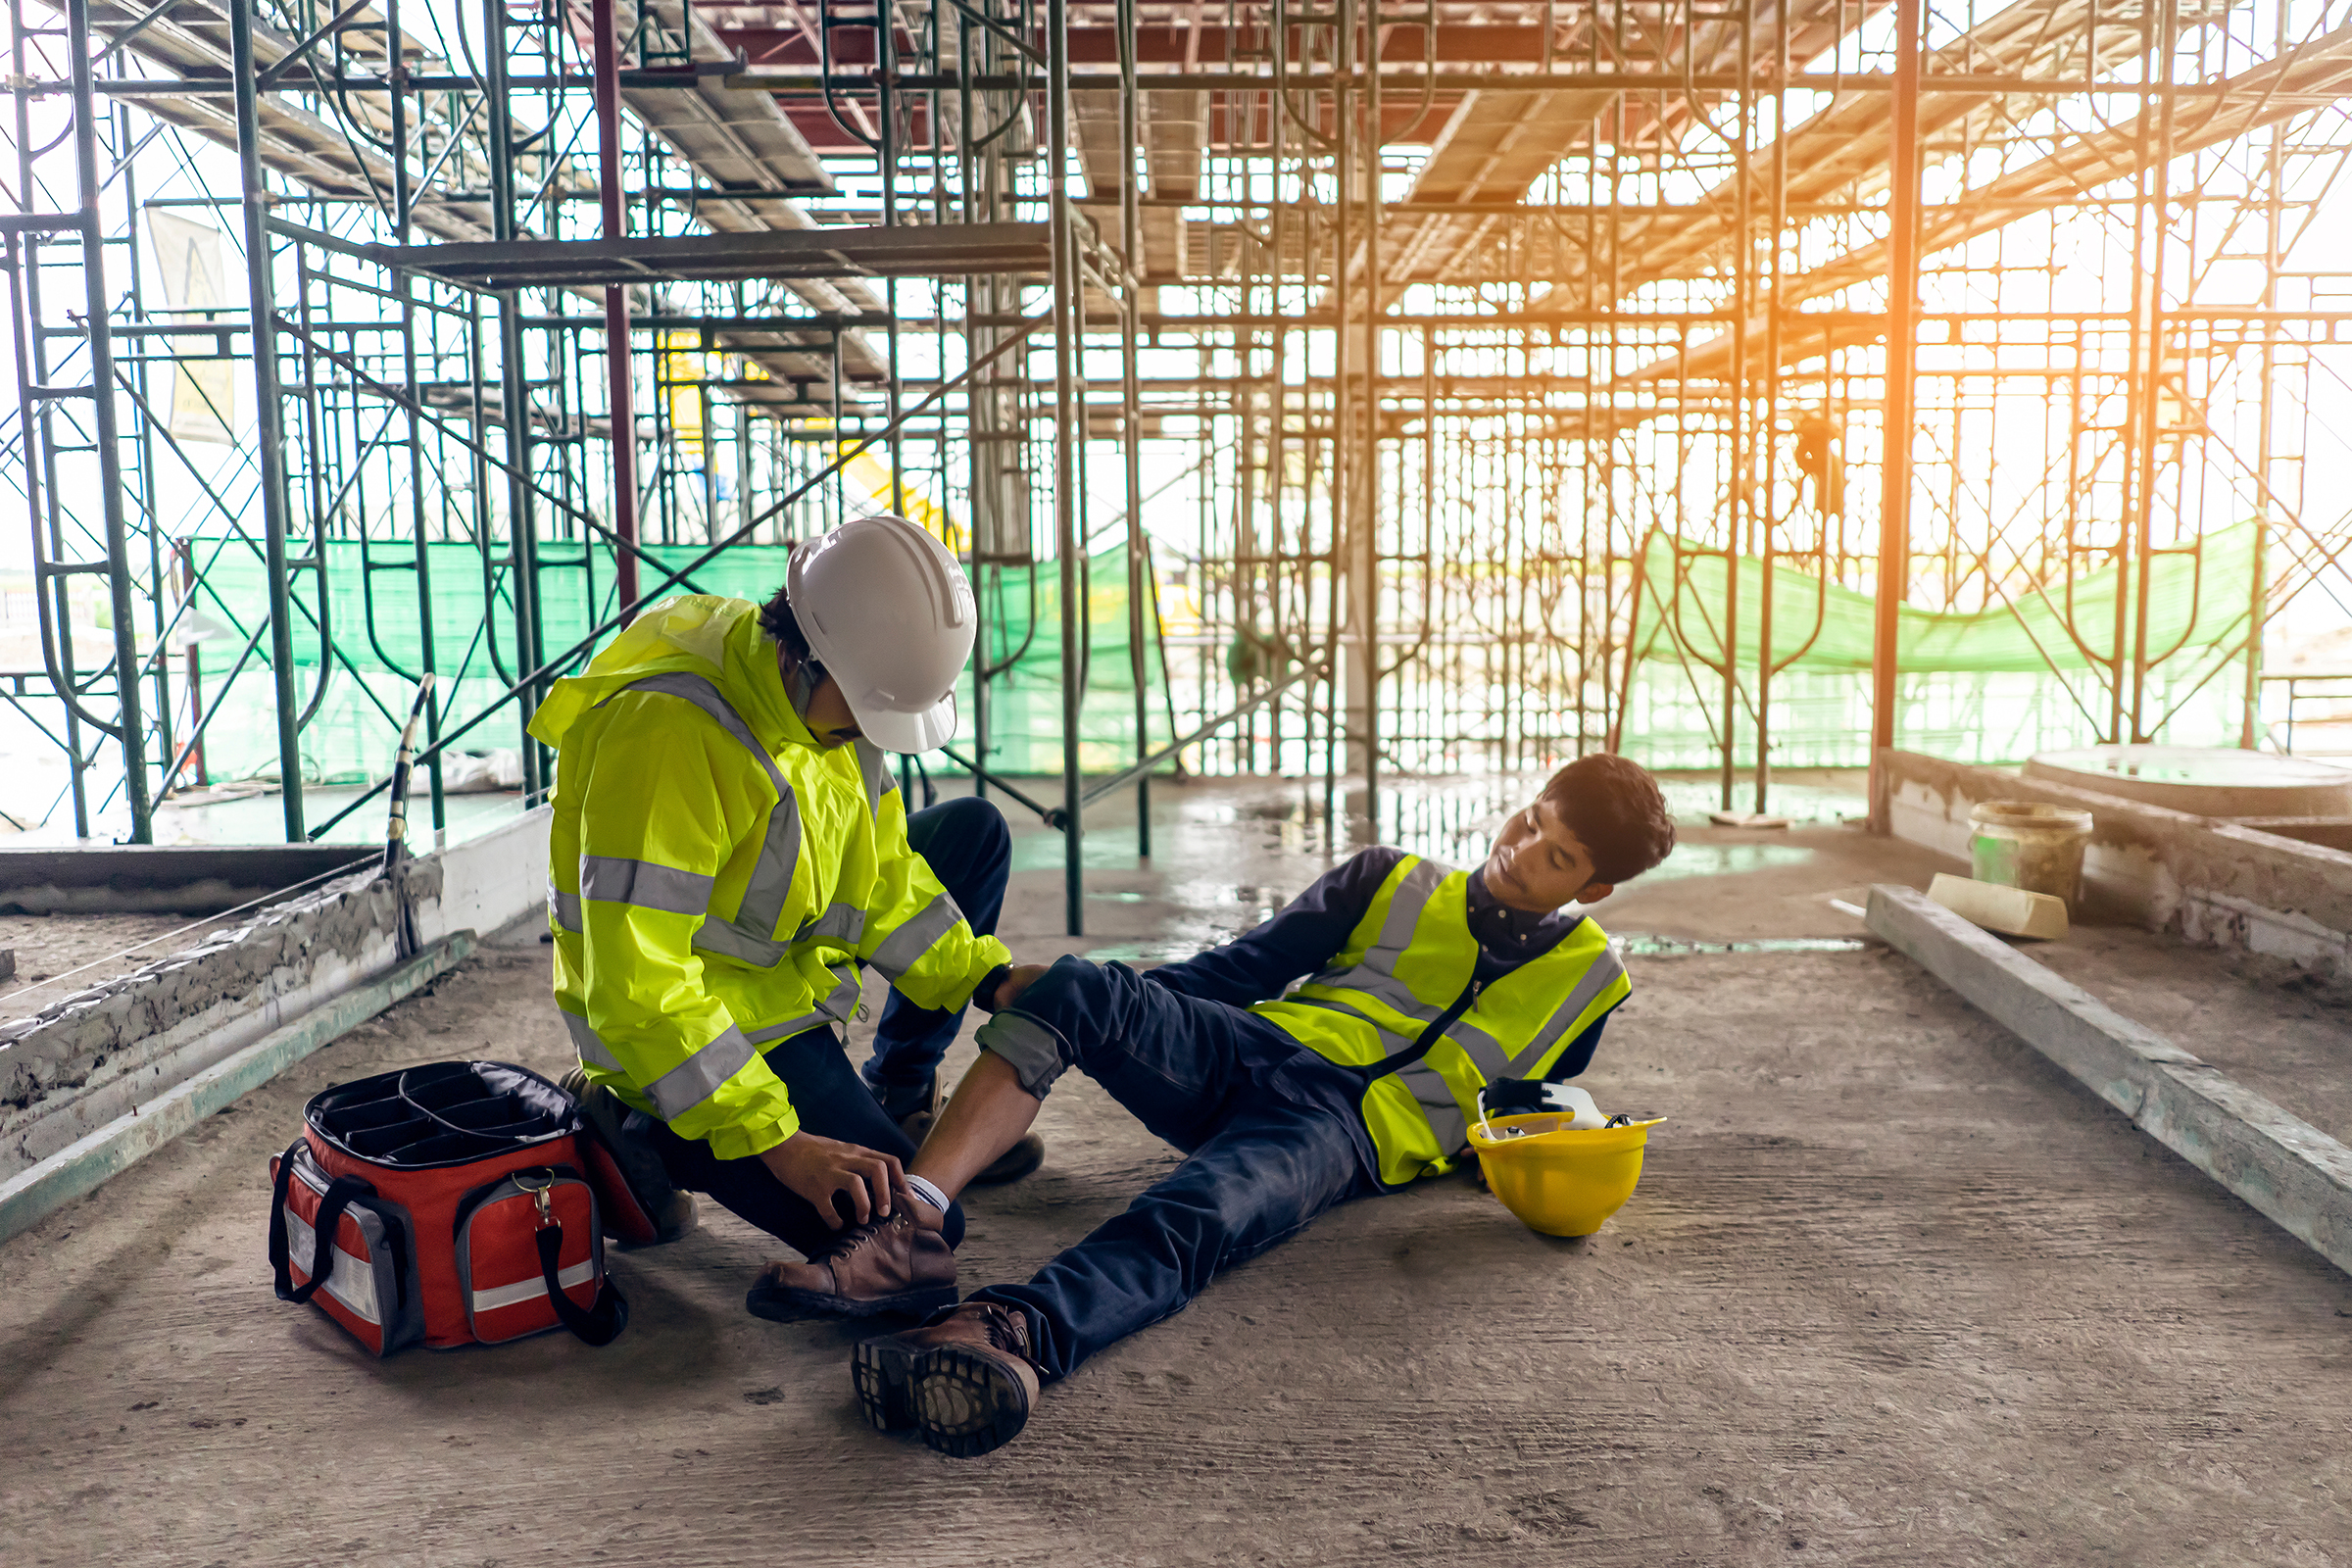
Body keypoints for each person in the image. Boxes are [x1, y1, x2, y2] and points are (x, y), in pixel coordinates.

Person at [799, 753, 1678, 1456]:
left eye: (1558, 857)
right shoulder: (1389, 879)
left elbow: (1524, 1105)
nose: (1521, 852)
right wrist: (1123, 1010)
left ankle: (1007, 1334)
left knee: (1197, 1218)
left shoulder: (1592, 980)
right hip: (1255, 1050)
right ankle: (911, 1222)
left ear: (1593, 890)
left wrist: (1554, 1166)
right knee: (1076, 989)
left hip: (1339, 1134)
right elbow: (1234, 972)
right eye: (1530, 822)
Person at [529, 514, 1038, 1322]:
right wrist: (779, 1142)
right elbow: (637, 985)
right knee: (907, 1227)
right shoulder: (670, 736)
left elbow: (879, 876)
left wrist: (987, 976)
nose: (865, 743)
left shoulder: (832, 700)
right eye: (861, 719)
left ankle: (898, 1092)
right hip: (690, 1034)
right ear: (802, 656)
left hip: (784, 993)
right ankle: (640, 1126)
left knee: (971, 833)